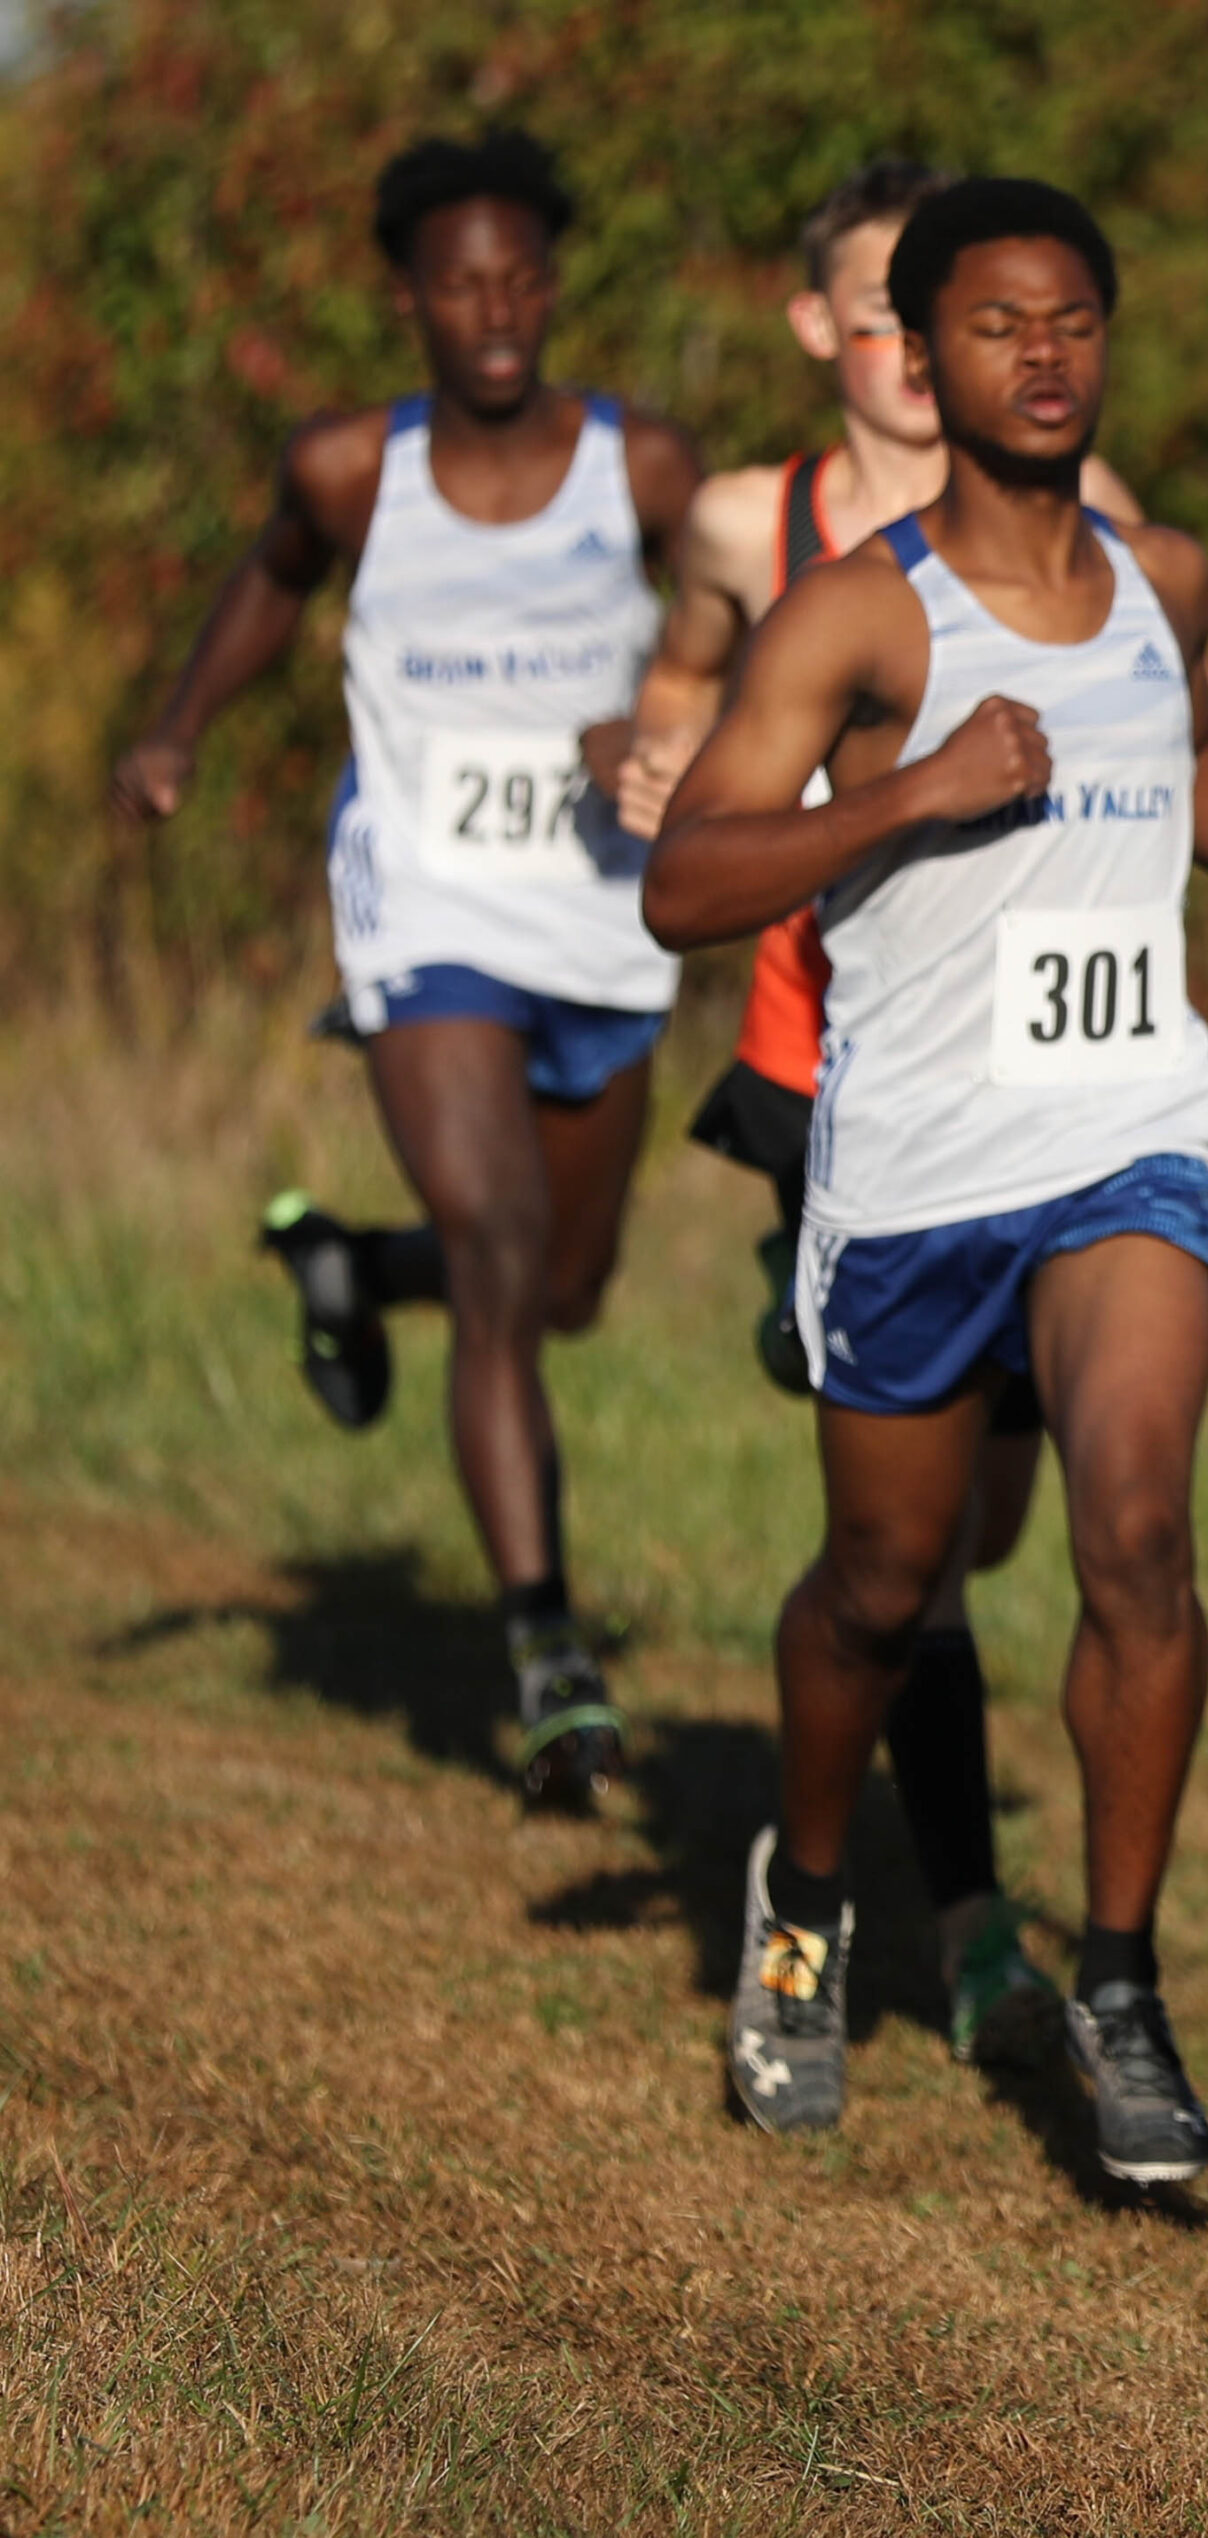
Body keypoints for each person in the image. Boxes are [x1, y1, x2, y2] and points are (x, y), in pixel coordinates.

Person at [643, 177, 1208, 2172]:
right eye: (995, 326)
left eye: (1072, 323)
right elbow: (687, 878)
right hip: (915, 1164)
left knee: (1137, 1535)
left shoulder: (1165, 579)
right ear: (922, 356)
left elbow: (1194, 755)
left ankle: (1117, 1984)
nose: (1041, 357)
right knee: (882, 1585)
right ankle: (802, 1902)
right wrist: (912, 793)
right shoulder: (857, 611)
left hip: (1128, 1134)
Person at [603, 158, 1152, 2068]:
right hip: (826, 1054)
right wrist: (649, 753)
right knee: (899, 1550)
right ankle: (954, 1916)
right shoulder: (762, 527)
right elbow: (679, 706)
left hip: (1049, 1089)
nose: (929, 362)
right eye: (888, 322)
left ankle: (944, 1881)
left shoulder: (1099, 520)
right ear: (852, 334)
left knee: (980, 1534)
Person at [107, 129, 700, 1811]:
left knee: (563, 1285)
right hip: (426, 896)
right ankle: (548, 1650)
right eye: (460, 285)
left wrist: (670, 723)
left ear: (552, 288)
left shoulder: (646, 467)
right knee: (499, 1250)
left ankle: (355, 1265)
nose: (494, 311)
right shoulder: (351, 469)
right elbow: (270, 585)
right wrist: (177, 725)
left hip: (600, 906)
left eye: (519, 281)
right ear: (412, 301)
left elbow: (748, 625)